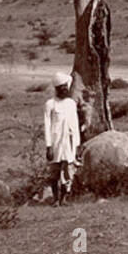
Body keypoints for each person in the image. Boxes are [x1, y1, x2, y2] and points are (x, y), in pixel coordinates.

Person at [44, 72, 81, 206]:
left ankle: (64, 198)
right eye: (61, 87)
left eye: (66, 86)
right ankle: (55, 199)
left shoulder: (71, 103)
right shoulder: (50, 104)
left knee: (68, 171)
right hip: (55, 143)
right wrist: (48, 146)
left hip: (69, 143)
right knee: (54, 173)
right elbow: (47, 126)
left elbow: (75, 125)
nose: (64, 89)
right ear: (57, 89)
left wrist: (77, 145)